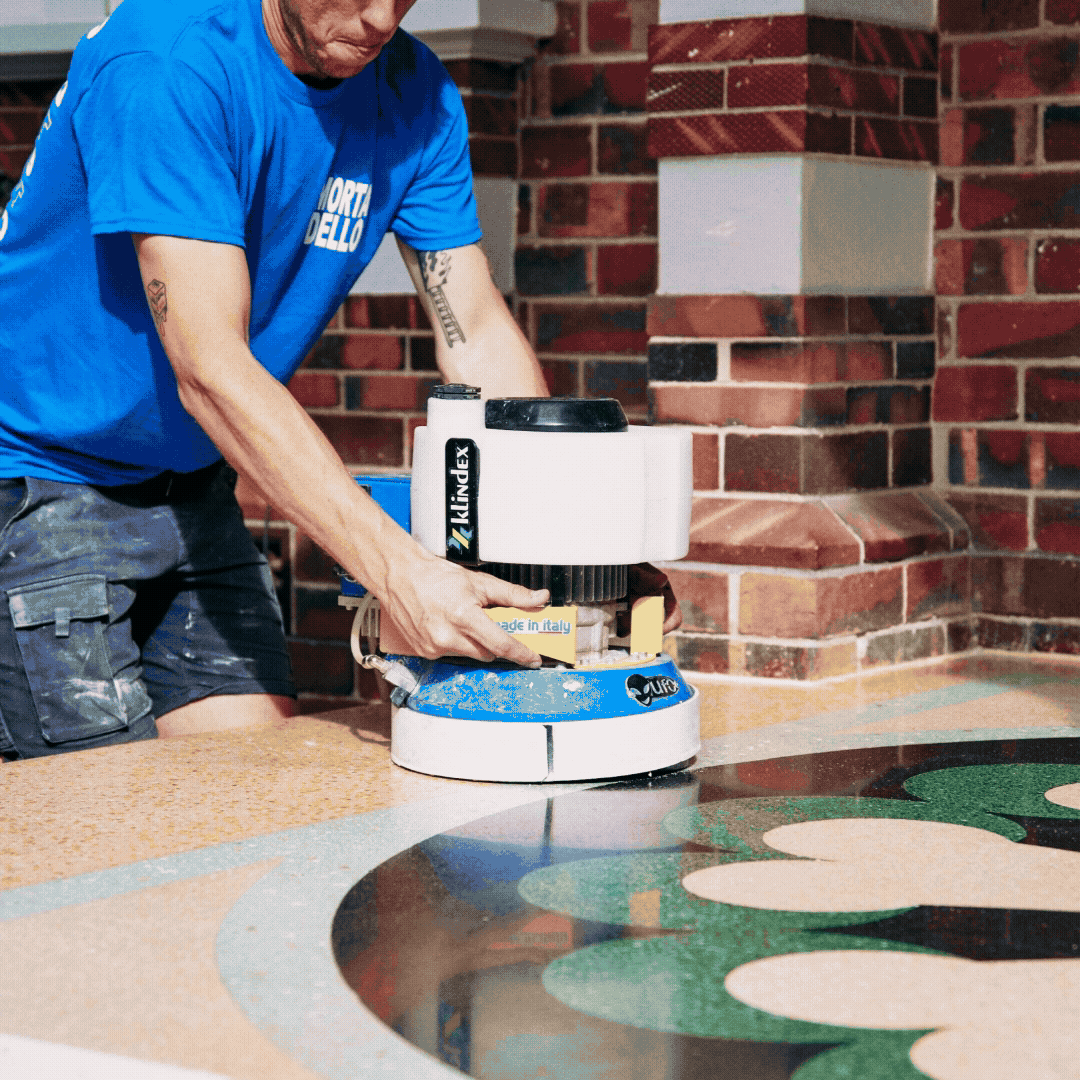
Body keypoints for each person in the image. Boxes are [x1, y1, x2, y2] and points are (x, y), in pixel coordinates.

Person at [0, 0, 678, 760]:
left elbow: (477, 334)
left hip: (190, 488)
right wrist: (398, 571)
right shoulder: (166, 62)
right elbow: (209, 368)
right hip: (35, 481)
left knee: (250, 798)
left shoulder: (413, 94)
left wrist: (573, 551)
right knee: (101, 838)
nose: (383, 17)